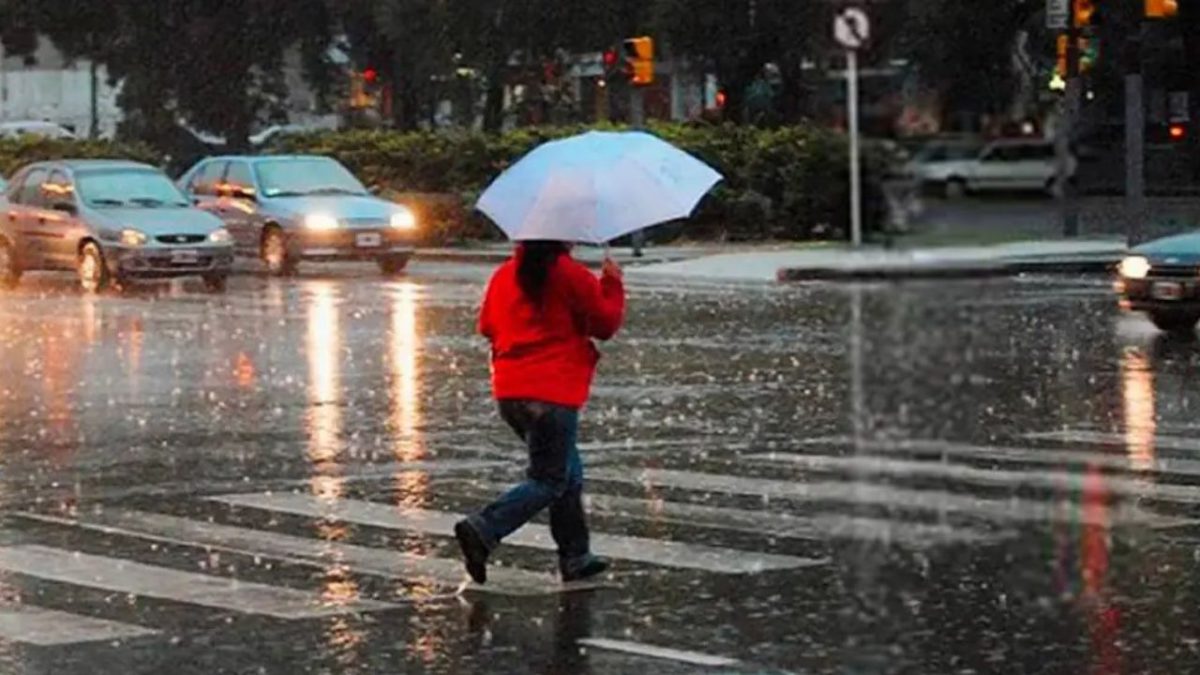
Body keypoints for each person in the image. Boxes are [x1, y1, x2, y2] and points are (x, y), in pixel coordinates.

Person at [454, 241, 625, 584]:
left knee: (567, 473)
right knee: (549, 479)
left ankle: (576, 556)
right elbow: (604, 325)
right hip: (552, 391)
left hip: (510, 391)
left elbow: (487, 325)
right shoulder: (570, 275)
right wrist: (612, 284)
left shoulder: (504, 274)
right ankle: (486, 527)